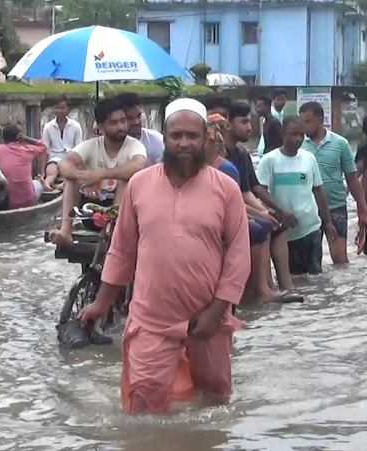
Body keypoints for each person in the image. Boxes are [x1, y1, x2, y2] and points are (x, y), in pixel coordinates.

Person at [79, 98, 250, 414]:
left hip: (207, 317)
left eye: (192, 136)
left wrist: (217, 310)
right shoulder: (140, 184)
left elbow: (239, 256)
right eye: (176, 136)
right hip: (151, 317)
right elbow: (122, 250)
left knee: (214, 401)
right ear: (165, 137)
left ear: (206, 137)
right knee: (143, 406)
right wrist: (102, 303)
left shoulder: (226, 189)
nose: (184, 144)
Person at [203, 95, 297, 296]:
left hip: (237, 208)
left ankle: (282, 285)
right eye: (243, 121)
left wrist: (266, 210)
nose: (249, 127)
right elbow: (229, 200)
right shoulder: (211, 157)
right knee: (261, 226)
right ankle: (262, 290)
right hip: (221, 212)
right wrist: (260, 214)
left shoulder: (241, 155)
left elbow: (246, 191)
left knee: (277, 223)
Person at [48, 97, 147, 246]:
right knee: (71, 180)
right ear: (101, 128)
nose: (121, 126)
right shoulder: (91, 145)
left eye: (123, 121)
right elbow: (65, 164)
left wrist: (100, 175)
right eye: (113, 123)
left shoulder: (134, 146)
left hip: (123, 212)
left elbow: (138, 165)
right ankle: (65, 231)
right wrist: (84, 180)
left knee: (127, 179)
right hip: (91, 210)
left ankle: (112, 230)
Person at [257, 116, 335, 275]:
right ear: (283, 134)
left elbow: (318, 190)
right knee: (291, 278)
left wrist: (328, 222)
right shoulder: (269, 160)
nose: (298, 138)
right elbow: (259, 190)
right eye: (293, 134)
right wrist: (281, 210)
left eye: (301, 135)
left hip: (311, 229)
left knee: (315, 279)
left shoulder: (309, 159)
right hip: (284, 233)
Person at [299, 101, 367, 264]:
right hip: (308, 210)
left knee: (340, 261)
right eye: (302, 122)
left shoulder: (340, 144)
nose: (304, 127)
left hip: (336, 207)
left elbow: (352, 180)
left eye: (308, 122)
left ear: (320, 119)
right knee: (312, 264)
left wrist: (364, 212)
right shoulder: (299, 146)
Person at [0, 125, 49, 209]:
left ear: (4, 138)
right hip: (27, 200)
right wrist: (26, 138)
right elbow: (43, 146)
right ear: (19, 137)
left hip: (7, 200)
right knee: (38, 183)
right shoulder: (28, 150)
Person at [41, 95, 83, 188]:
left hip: (70, 159)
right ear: (53, 108)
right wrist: (43, 171)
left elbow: (79, 148)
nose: (59, 111)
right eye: (57, 108)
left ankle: (64, 184)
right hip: (54, 158)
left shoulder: (76, 126)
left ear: (67, 108)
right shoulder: (48, 127)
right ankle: (46, 185)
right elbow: (45, 149)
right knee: (51, 172)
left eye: (62, 108)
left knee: (70, 172)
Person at [115, 92, 165, 167]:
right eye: (130, 118)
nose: (136, 122)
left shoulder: (156, 140)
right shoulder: (110, 143)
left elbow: (164, 173)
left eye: (139, 116)